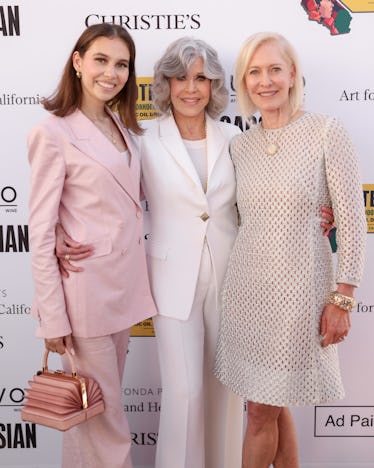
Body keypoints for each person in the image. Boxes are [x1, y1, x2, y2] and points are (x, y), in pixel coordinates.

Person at [55, 37, 336, 468]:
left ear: (214, 85)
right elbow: (108, 197)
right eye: (181, 77)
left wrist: (321, 212)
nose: (191, 87)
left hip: (237, 280)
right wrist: (60, 232)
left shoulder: (235, 139)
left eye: (201, 78)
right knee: (184, 392)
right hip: (172, 280)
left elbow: (267, 198)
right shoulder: (144, 140)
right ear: (165, 83)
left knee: (226, 392)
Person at [213, 32, 366, 468]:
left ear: (293, 74)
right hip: (248, 295)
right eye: (254, 72)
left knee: (261, 410)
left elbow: (353, 221)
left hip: (301, 296)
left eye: (275, 69)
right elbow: (237, 220)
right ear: (243, 82)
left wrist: (343, 298)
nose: (266, 81)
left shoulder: (325, 132)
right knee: (271, 404)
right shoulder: (240, 146)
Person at [27, 23, 156, 468]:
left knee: (94, 413)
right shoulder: (53, 132)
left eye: (121, 64)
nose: (112, 72)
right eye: (101, 60)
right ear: (78, 63)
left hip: (122, 290)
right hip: (83, 295)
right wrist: (52, 316)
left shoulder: (121, 125)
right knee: (105, 420)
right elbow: (40, 231)